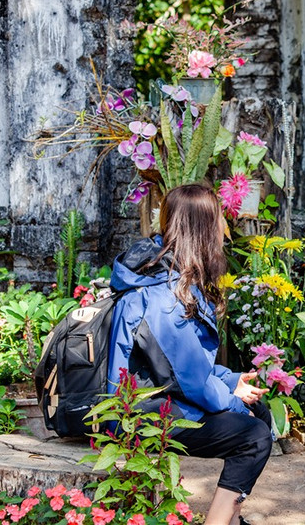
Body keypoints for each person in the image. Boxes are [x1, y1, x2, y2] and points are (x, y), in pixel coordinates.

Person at [107, 183, 272, 525]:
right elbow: (191, 382)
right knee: (254, 436)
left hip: (154, 399)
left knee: (258, 412)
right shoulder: (163, 295)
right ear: (204, 230)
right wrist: (232, 395)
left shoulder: (160, 274)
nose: (224, 230)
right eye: (218, 222)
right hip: (137, 415)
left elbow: (181, 363)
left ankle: (231, 517)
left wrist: (230, 380)